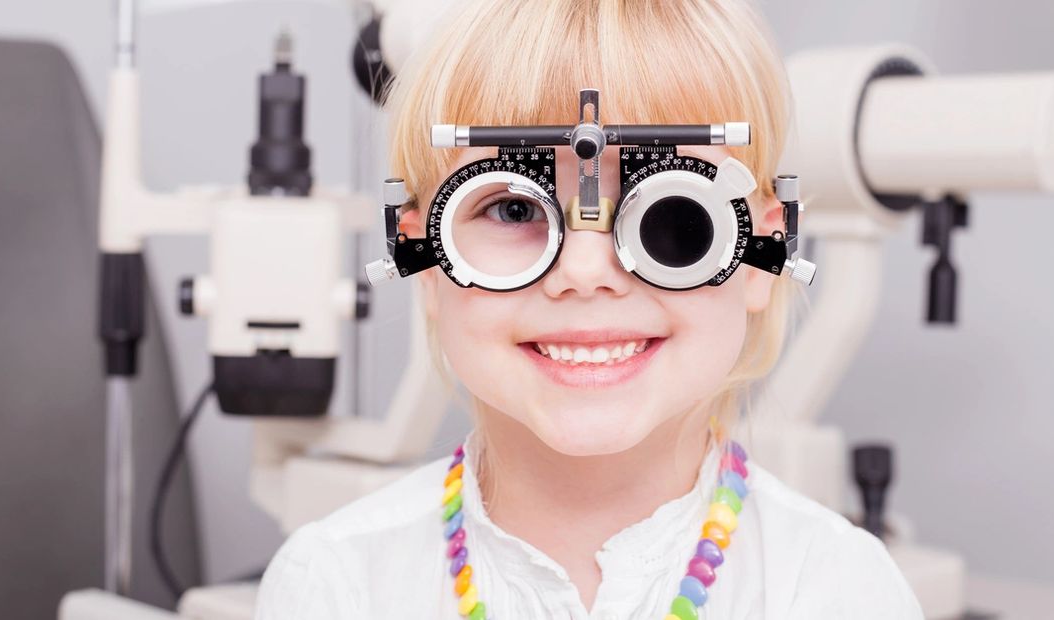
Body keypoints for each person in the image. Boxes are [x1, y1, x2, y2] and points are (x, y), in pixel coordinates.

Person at [256, 0, 922, 617]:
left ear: (761, 253)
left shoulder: (837, 590)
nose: (584, 272)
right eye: (513, 207)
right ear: (422, 257)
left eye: (670, 209)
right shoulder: (336, 585)